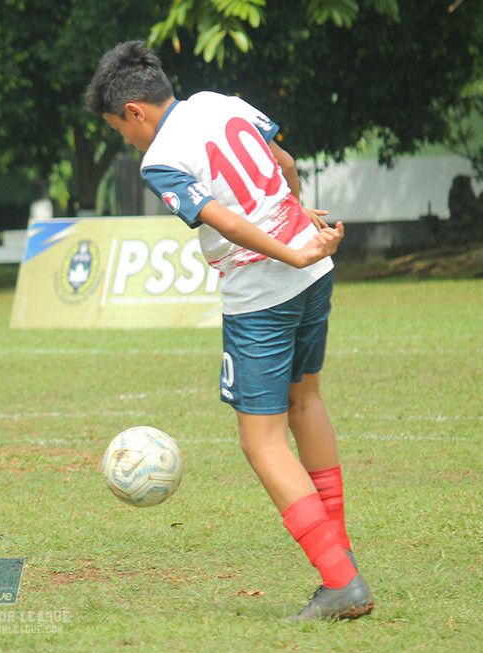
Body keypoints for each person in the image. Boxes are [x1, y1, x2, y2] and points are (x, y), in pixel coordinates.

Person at [85, 41, 370, 622]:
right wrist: (299, 228)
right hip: (314, 269)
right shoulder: (219, 102)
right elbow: (284, 164)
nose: (127, 140)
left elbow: (227, 222)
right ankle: (340, 559)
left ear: (134, 112)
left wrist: (284, 257)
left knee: (259, 440)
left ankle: (341, 581)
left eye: (120, 129)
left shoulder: (159, 158)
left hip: (263, 291)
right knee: (306, 399)